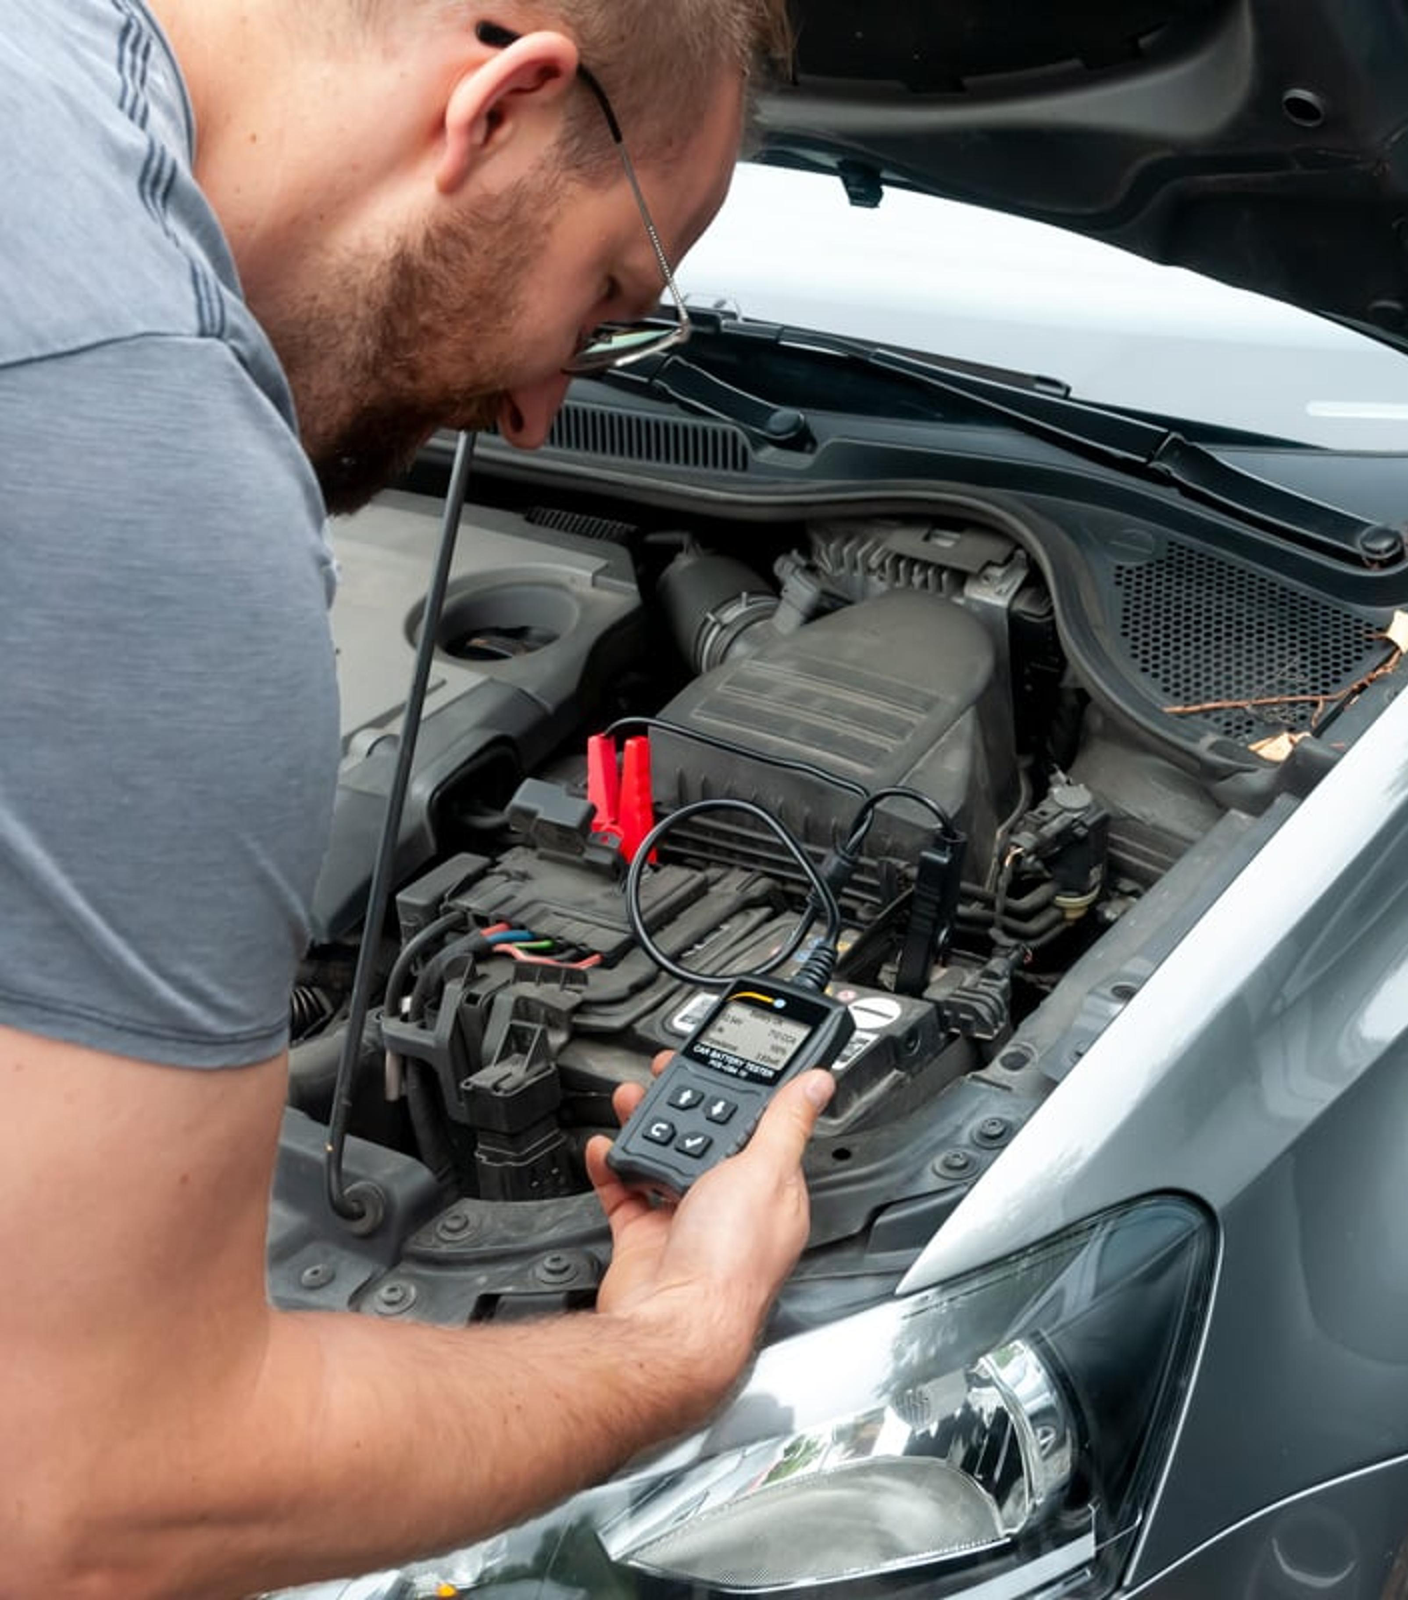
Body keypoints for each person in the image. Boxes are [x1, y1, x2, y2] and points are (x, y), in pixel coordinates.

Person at [0, 1, 833, 1595]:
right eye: (606, 302)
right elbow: (87, 1503)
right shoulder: (141, 473)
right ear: (503, 107)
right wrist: (673, 1348)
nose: (538, 415)